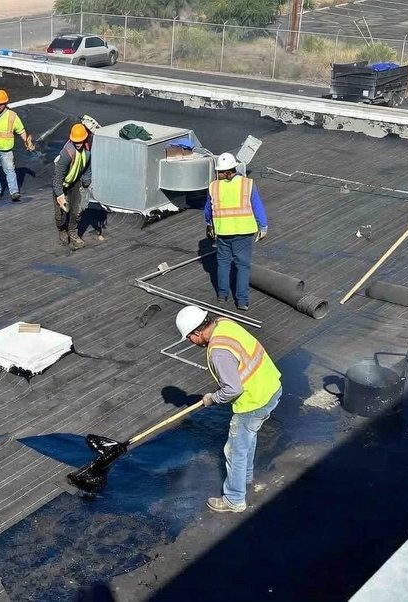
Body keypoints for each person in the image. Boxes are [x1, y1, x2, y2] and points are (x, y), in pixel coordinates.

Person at [175, 305, 282, 513]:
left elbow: (233, 389)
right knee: (248, 438)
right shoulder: (224, 323)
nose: (190, 342)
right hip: (270, 387)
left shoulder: (218, 352)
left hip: (253, 401)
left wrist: (213, 398)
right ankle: (246, 476)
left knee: (234, 450)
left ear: (197, 332)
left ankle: (234, 499)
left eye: (189, 338)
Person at [204, 152, 268, 311]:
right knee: (242, 266)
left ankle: (222, 295)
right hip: (244, 233)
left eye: (219, 172)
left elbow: (208, 210)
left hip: (223, 232)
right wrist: (263, 226)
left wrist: (209, 225)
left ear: (227, 171)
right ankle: (242, 301)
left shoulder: (214, 186)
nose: (218, 174)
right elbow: (257, 206)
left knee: (223, 264)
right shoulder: (247, 184)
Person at [0, 89, 34, 202]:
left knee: (10, 170)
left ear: (5, 103)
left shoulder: (12, 116)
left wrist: (27, 143)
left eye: (1, 104)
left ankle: (14, 192)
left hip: (6, 150)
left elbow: (21, 130)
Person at [52, 123, 92, 250]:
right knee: (61, 213)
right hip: (61, 185)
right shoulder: (66, 153)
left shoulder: (87, 152)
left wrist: (86, 184)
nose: (78, 143)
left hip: (75, 183)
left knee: (77, 211)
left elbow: (87, 170)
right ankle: (62, 229)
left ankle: (73, 233)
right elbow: (57, 178)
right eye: (76, 141)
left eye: (80, 140)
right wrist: (60, 195)